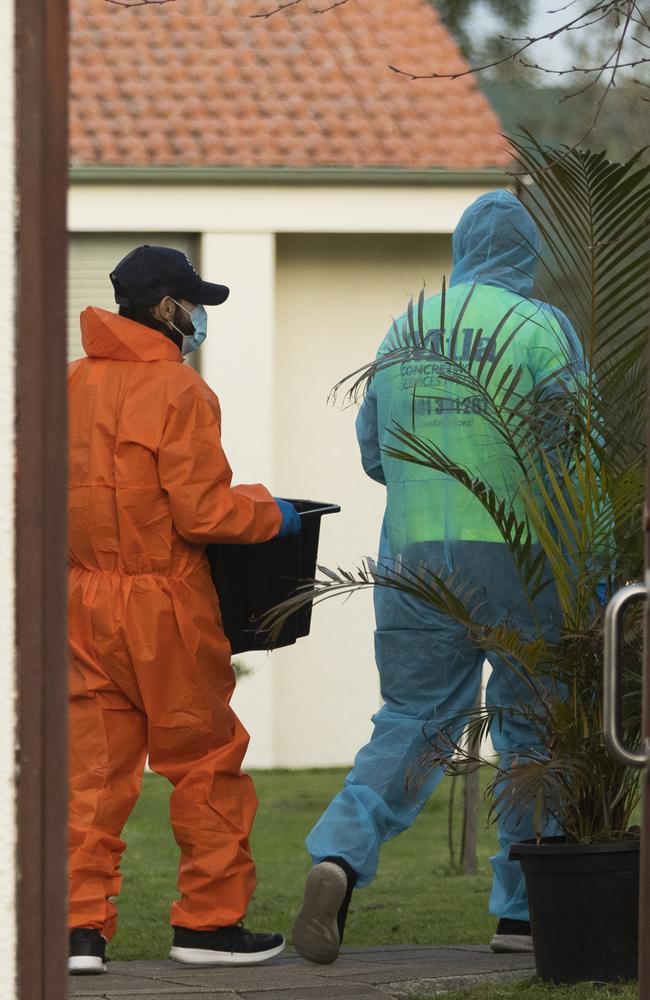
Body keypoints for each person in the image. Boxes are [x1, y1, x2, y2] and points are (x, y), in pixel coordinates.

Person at [292, 191, 584, 964]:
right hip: (523, 559)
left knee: (413, 721)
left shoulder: (406, 327)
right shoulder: (540, 328)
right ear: (530, 254)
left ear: (461, 247)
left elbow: (373, 452)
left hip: (416, 559)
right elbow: (571, 451)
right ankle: (523, 915)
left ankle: (340, 858)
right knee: (531, 732)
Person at [67, 245, 300, 975]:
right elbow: (203, 515)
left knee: (91, 775)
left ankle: (78, 934)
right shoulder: (181, 393)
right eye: (194, 304)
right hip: (164, 604)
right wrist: (272, 513)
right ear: (167, 307)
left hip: (80, 602)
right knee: (205, 761)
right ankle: (208, 924)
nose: (198, 318)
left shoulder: (66, 386)